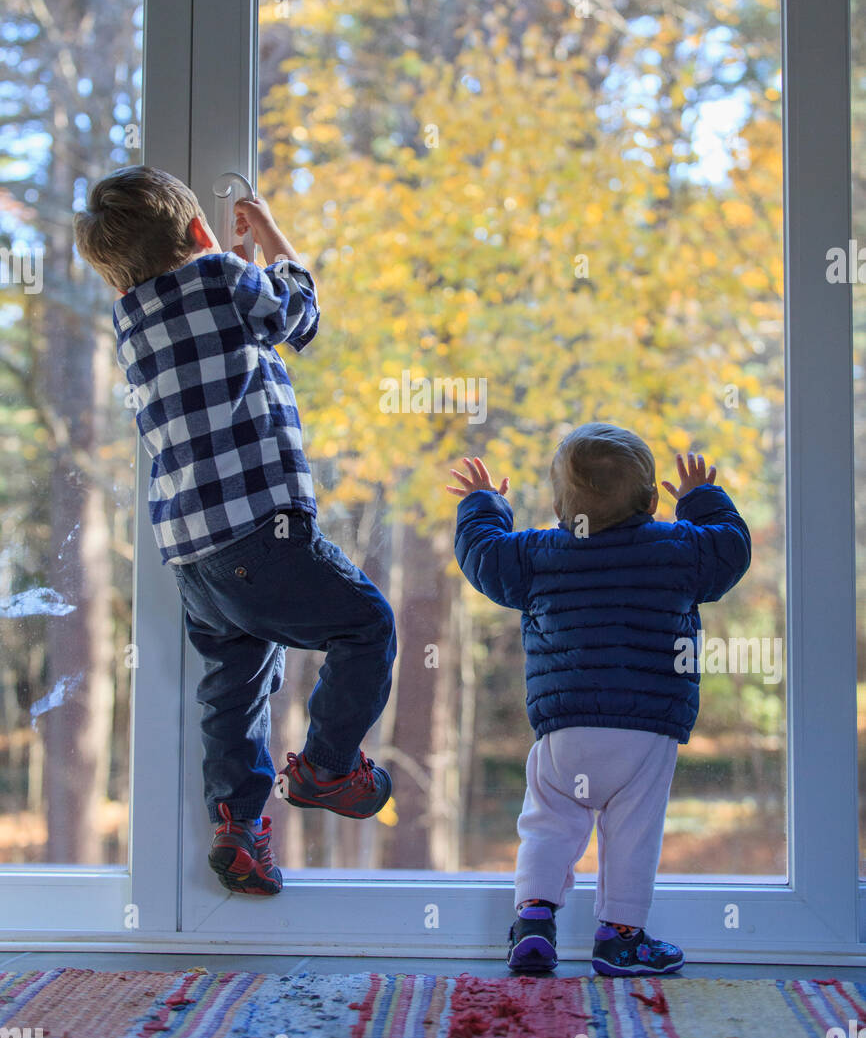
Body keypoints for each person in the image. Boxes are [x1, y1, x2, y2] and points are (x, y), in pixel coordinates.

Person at [74, 166, 395, 895]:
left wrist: (229, 261)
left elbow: (217, 342)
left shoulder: (130, 319)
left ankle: (239, 830)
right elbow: (297, 317)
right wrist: (272, 235)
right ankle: (327, 768)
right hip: (262, 531)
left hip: (194, 558)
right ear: (198, 233)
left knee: (236, 686)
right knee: (366, 626)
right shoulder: (222, 277)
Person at [448, 425, 750, 976]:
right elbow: (730, 550)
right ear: (653, 501)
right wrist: (702, 498)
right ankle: (621, 939)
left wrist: (483, 503)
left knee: (547, 825)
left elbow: (484, 557)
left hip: (565, 728)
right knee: (633, 836)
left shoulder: (538, 553)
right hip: (645, 729)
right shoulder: (679, 549)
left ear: (559, 505)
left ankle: (534, 923)